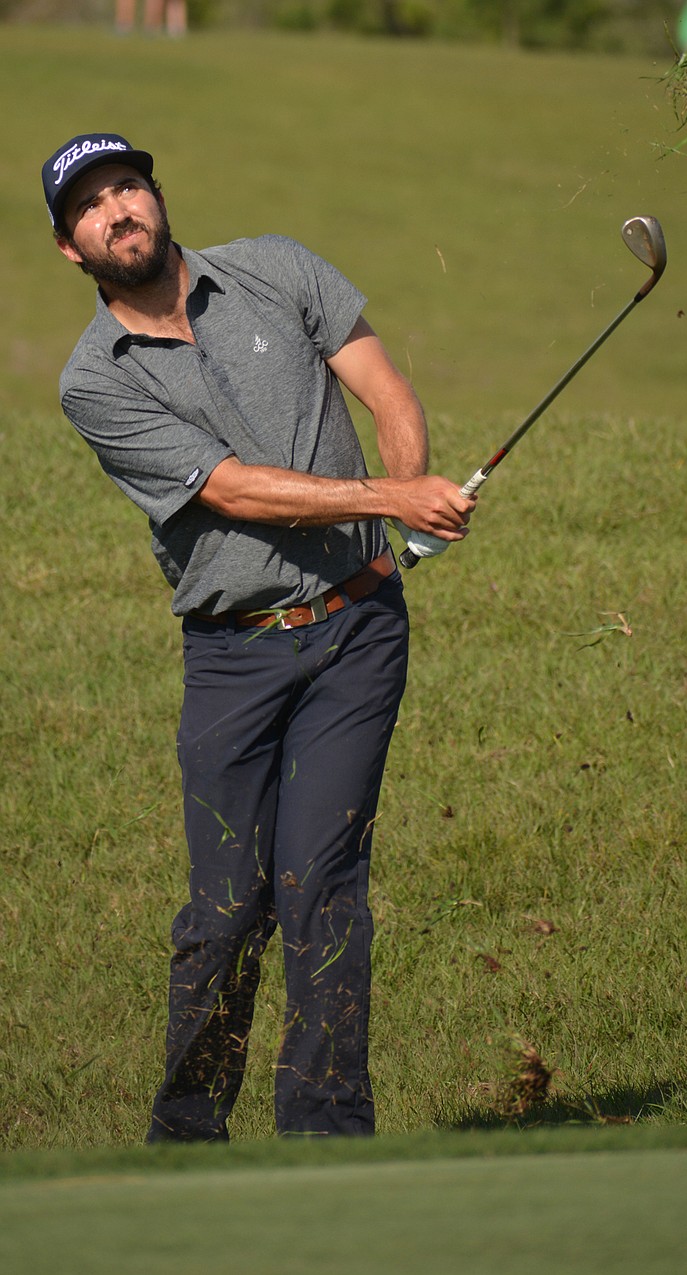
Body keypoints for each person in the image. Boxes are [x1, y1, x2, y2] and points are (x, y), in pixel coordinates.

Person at [42, 133, 475, 1141]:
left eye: (128, 188)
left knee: (320, 884)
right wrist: (387, 493)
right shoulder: (92, 380)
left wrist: (405, 520)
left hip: (356, 635)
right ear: (71, 248)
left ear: (156, 195)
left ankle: (326, 1131)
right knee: (225, 908)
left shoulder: (277, 268)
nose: (119, 210)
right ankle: (188, 1136)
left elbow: (386, 392)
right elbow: (232, 490)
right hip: (233, 654)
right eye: (91, 207)